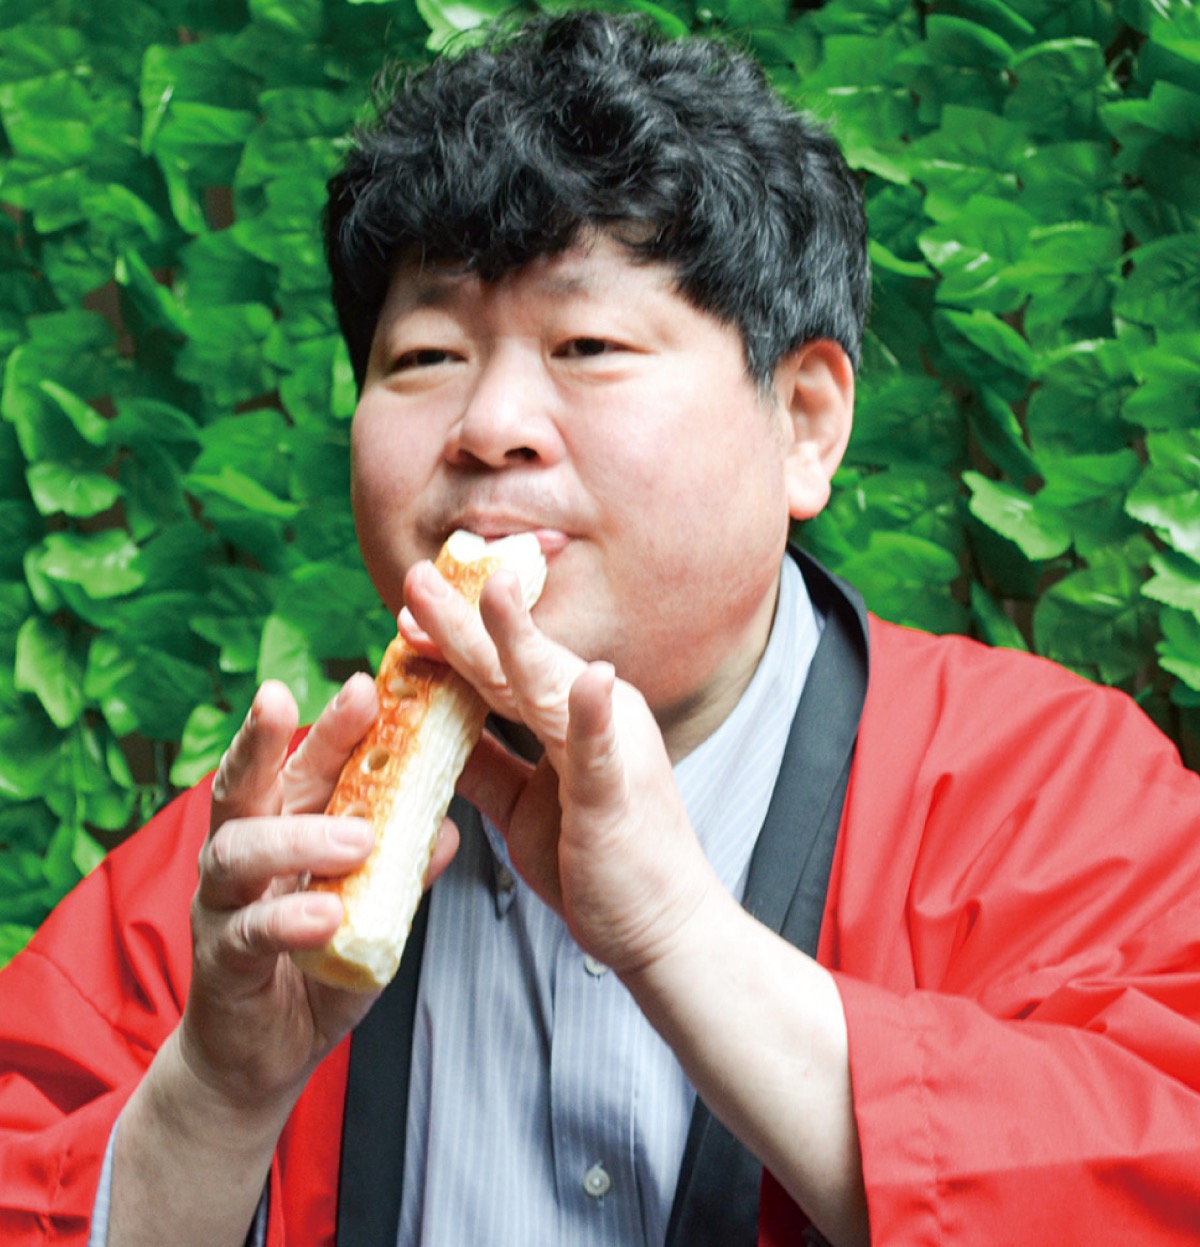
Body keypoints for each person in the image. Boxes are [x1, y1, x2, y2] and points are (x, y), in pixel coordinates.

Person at [2, 10, 1199, 1246]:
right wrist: (213, 1093)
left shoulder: (1050, 797)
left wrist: (681, 937)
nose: (489, 425)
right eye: (425, 355)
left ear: (803, 420)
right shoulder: (248, 883)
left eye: (587, 343)